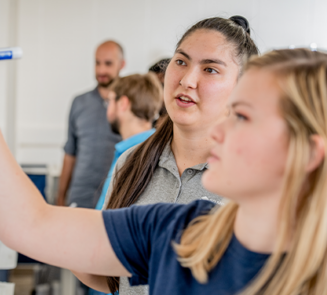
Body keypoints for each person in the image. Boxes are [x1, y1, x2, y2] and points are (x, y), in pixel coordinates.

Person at [0, 26, 327, 294]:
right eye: (181, 62)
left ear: (308, 153)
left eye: (242, 117)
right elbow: (30, 224)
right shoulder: (180, 231)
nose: (222, 132)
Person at [78, 16, 259, 294]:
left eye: (210, 69)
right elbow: (112, 275)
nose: (187, 80)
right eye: (181, 61)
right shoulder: (131, 162)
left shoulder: (257, 179)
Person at [56, 40, 125, 209]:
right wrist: (60, 197)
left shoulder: (130, 104)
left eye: (108, 63)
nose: (101, 70)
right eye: (97, 63)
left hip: (117, 198)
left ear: (121, 64)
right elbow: (70, 153)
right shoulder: (79, 103)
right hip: (80, 197)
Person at [94, 73, 163, 211]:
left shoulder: (137, 154)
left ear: (123, 103)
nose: (108, 107)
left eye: (110, 101)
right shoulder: (143, 148)